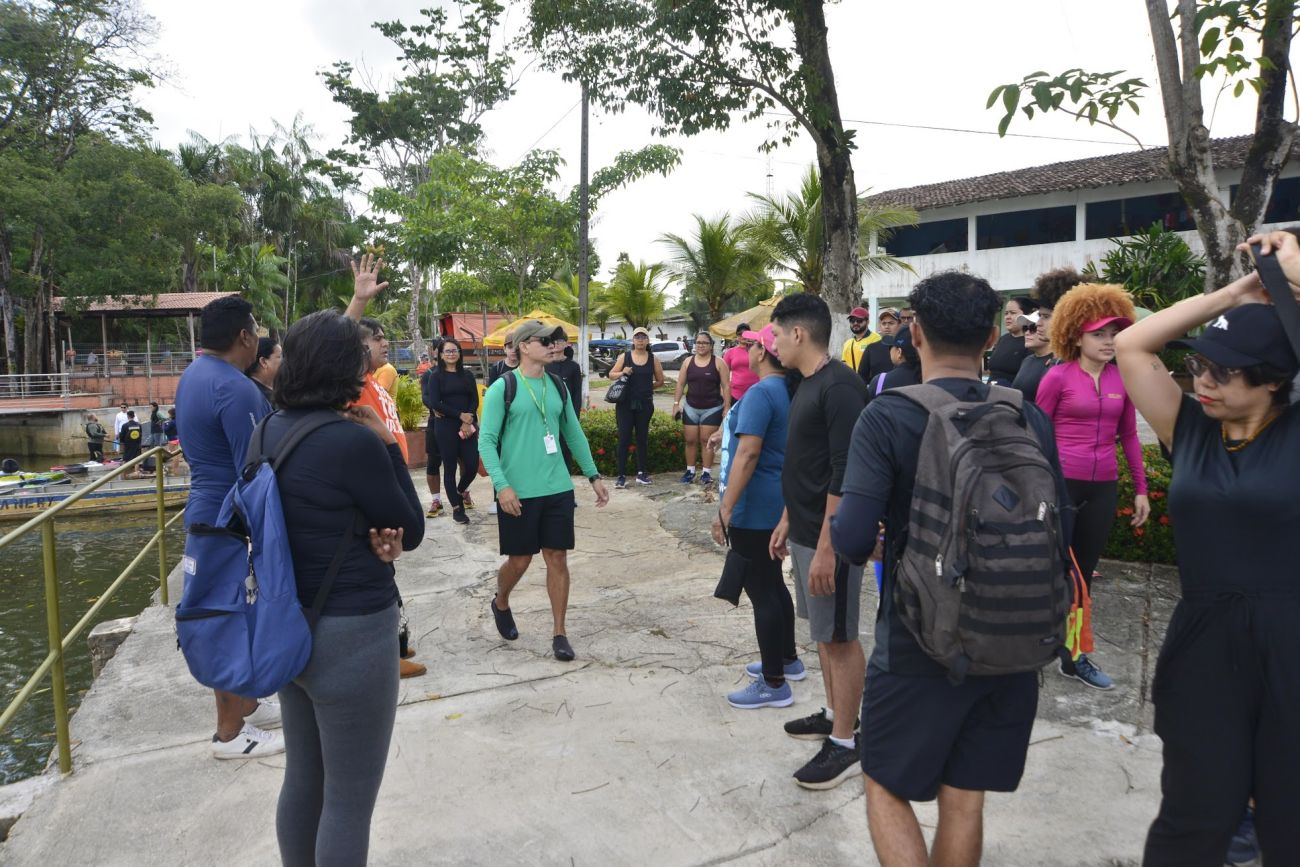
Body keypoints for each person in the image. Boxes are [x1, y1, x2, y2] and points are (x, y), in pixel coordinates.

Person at [832, 269, 1071, 867]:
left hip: (919, 639)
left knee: (883, 781)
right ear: (991, 337)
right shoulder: (1027, 416)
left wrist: (880, 539)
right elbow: (1057, 523)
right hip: (1013, 635)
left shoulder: (887, 416)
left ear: (915, 335)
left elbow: (853, 539)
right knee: (964, 801)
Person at [1115, 229, 1300, 866]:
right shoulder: (1189, 430)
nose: (1204, 380)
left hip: (1291, 645)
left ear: (1273, 381)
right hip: (1204, 644)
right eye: (1198, 365)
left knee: (1289, 823)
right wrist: (1239, 292)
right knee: (1191, 817)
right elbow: (1132, 343)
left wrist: (1295, 280)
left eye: (1224, 370)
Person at [267, 310, 425, 867]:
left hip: (288, 623)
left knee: (303, 780)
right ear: (343, 366)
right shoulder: (352, 441)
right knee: (349, 803)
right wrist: (387, 444)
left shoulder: (267, 430)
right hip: (351, 631)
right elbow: (412, 527)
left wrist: (371, 530)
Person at [174, 295, 283, 759]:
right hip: (226, 517)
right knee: (224, 616)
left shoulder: (194, 375)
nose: (258, 336)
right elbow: (252, 468)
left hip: (206, 508)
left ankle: (248, 703)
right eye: (256, 328)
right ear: (244, 336)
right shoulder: (235, 388)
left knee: (231, 609)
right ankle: (230, 733)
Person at [768, 293, 868, 790]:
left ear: (798, 333)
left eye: (776, 335)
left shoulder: (841, 387)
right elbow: (808, 462)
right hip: (807, 530)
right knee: (824, 634)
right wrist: (788, 517)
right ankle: (833, 715)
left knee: (841, 637)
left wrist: (829, 546)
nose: (773, 344)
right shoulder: (806, 383)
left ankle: (848, 742)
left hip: (833, 538)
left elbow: (846, 473)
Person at [1036, 282, 1149, 690]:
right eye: (1098, 333)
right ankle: (1033, 641)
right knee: (1047, 569)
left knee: (1082, 575)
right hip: (1061, 486)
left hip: (1103, 487)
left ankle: (1073, 655)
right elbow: (1037, 435)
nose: (1108, 340)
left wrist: (1141, 488)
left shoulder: (1122, 378)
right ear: (1075, 335)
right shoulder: (1057, 377)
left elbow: (1129, 436)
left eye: (1114, 332)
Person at [479, 320, 611, 662]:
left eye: (554, 341)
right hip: (518, 492)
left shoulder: (558, 385)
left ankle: (559, 633)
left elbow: (573, 434)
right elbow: (486, 441)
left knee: (557, 557)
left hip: (557, 487)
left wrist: (593, 475)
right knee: (520, 560)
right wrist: (502, 486)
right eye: (545, 341)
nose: (553, 345)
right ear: (524, 346)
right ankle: (501, 601)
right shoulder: (503, 388)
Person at [344, 254, 427, 680]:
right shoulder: (348, 384)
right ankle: (387, 652)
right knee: (380, 565)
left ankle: (395, 641)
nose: (383, 345)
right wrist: (358, 302)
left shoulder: (376, 382)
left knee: (389, 564)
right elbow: (334, 346)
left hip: (390, 477)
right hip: (371, 486)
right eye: (376, 339)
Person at [711, 325, 802, 708]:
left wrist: (725, 508)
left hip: (754, 507)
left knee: (761, 591)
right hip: (777, 502)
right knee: (773, 583)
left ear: (762, 352)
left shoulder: (762, 393)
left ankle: (774, 682)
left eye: (748, 345)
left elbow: (747, 454)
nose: (743, 350)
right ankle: (787, 659)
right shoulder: (788, 390)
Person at [425, 338, 479, 525]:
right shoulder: (435, 377)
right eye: (447, 351)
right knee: (450, 468)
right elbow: (435, 403)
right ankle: (457, 508)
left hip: (467, 426)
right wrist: (460, 415)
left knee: (472, 466)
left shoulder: (467, 375)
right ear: (440, 355)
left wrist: (468, 418)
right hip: (445, 426)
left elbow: (474, 400)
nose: (451, 354)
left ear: (459, 353)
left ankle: (458, 491)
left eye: (454, 350)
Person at [1013, 267, 1086, 402]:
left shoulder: (1082, 366)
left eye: (1046, 316)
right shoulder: (1046, 362)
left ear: (1067, 319)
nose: (1038, 323)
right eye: (1040, 316)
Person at [610, 327, 665, 488]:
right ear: (633, 340)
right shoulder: (625, 356)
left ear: (647, 340)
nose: (640, 340)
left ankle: (642, 473)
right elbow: (611, 374)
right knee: (624, 439)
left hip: (645, 404)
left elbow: (660, 380)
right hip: (625, 404)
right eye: (637, 337)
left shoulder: (653, 358)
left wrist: (647, 388)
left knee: (642, 439)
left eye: (643, 337)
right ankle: (621, 475)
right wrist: (622, 372)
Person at [672, 331, 730, 485]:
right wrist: (676, 404)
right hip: (691, 407)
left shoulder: (719, 362)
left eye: (705, 343)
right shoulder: (687, 362)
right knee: (690, 440)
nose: (701, 345)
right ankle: (690, 471)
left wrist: (727, 407)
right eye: (698, 342)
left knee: (707, 441)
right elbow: (680, 384)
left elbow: (726, 386)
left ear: (711, 346)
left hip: (712, 408)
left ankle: (706, 473)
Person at [546, 334, 586, 473]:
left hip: (566, 414)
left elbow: (576, 393)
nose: (556, 343)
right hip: (549, 414)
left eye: (560, 340)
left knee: (566, 448)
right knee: (549, 448)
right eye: (554, 341)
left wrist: (574, 416)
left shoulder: (573, 366)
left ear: (566, 343)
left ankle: (567, 477)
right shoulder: (545, 365)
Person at [419, 336, 447, 518]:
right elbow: (425, 396)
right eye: (442, 349)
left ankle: (463, 492)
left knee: (464, 461)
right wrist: (435, 408)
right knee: (433, 462)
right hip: (435, 422)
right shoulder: (428, 374)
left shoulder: (461, 373)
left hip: (457, 423)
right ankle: (436, 500)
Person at [986, 296, 1037, 386]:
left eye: (1013, 313)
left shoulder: (1030, 343)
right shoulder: (1003, 339)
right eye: (1006, 313)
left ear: (1026, 316)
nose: (1008, 317)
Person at [864, 325, 920, 403]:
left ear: (899, 352)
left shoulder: (880, 381)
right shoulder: (926, 379)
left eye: (891, 347)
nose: (889, 351)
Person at [857, 307, 900, 387]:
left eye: (891, 323)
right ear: (880, 326)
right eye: (884, 323)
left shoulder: (905, 347)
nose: (887, 326)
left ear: (899, 325)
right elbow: (861, 376)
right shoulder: (871, 348)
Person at [722, 323, 758, 402]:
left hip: (756, 392)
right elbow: (723, 376)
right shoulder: (730, 352)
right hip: (736, 394)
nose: (743, 336)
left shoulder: (758, 350)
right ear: (737, 336)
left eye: (745, 333)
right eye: (740, 334)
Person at [840, 305, 881, 371]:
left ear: (868, 322)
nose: (855, 323)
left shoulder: (876, 339)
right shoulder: (847, 343)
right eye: (852, 320)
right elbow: (844, 365)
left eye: (859, 320)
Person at [245, 335, 282, 408]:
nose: (284, 361)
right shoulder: (255, 395)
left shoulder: (277, 389)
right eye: (279, 356)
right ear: (264, 362)